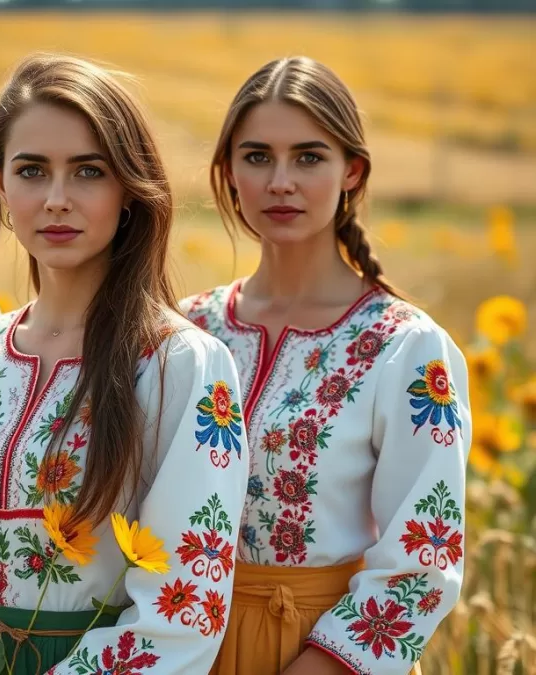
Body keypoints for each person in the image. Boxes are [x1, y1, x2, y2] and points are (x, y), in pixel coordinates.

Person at [0, 53, 249, 675]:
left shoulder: (182, 365)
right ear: (1, 184)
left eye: (87, 172)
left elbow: (185, 608)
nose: (56, 199)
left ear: (129, 188)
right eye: (33, 171)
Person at [180, 56, 471, 675]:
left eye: (309, 157)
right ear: (229, 172)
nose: (280, 181)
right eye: (257, 156)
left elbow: (422, 566)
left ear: (352, 171)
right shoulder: (185, 330)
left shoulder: (408, 347)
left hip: (330, 656)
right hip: (180, 642)